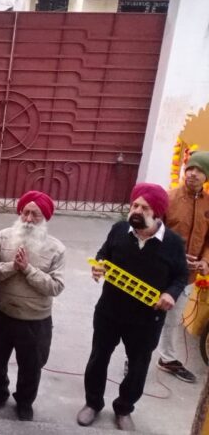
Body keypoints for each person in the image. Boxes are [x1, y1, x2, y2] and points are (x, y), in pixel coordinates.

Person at [77, 183, 189, 431]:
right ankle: (92, 404)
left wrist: (170, 293)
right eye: (135, 205)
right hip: (110, 311)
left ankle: (124, 408)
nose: (137, 211)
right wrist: (99, 265)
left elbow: (181, 275)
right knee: (98, 358)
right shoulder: (119, 230)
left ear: (157, 212)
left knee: (138, 366)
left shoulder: (172, 242)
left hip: (147, 319)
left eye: (144, 207)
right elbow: (103, 254)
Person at [0, 190, 65, 421]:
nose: (28, 219)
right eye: (25, 213)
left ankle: (25, 402)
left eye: (35, 215)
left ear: (45, 217)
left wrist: (28, 269)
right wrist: (12, 267)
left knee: (31, 366)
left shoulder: (56, 249)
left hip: (35, 319)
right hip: (1, 311)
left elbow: (56, 287)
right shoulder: (4, 237)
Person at [156, 151, 209, 382]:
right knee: (147, 315)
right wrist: (175, 256)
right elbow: (154, 234)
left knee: (173, 318)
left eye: (199, 170)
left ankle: (166, 358)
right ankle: (134, 356)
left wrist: (205, 261)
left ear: (206, 177)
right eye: (190, 168)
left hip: (187, 276)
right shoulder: (168, 198)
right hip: (160, 271)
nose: (193, 174)